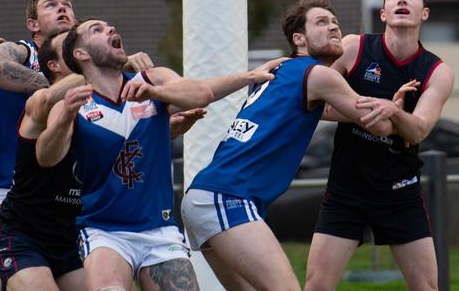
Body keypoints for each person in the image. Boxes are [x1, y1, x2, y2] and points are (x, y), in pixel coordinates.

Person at [36, 18, 283, 291]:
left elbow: (201, 92)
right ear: (80, 54)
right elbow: (46, 157)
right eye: (97, 29)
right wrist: (63, 119)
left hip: (159, 229)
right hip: (104, 230)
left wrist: (157, 92)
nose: (111, 29)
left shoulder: (152, 79)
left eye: (110, 27)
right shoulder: (73, 102)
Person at [180, 0, 401, 291]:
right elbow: (381, 124)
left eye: (335, 23)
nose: (334, 28)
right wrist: (394, 108)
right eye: (321, 23)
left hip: (205, 196)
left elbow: (327, 110)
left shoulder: (281, 71)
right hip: (227, 195)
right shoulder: (318, 74)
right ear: (299, 39)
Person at [0, 0, 155, 291]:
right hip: (10, 188)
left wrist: (120, 63)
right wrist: (53, 87)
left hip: (68, 194)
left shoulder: (93, 64)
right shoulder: (23, 51)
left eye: (66, 4)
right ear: (32, 25)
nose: (61, 8)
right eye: (50, 5)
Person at [304, 0, 455, 291]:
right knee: (317, 284)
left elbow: (419, 130)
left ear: (423, 13)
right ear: (384, 13)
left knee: (426, 286)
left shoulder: (437, 72)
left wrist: (395, 112)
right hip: (347, 188)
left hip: (399, 191)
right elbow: (316, 101)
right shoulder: (354, 47)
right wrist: (369, 114)